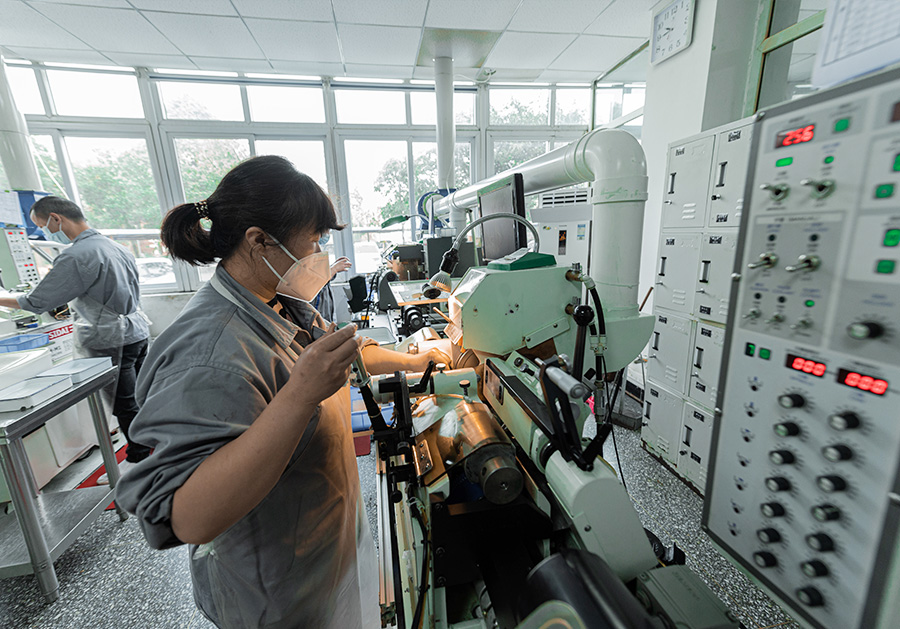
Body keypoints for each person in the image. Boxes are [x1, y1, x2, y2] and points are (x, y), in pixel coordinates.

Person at [115, 155, 447, 629]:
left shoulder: (278, 303)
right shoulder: (210, 352)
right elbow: (189, 517)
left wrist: (418, 359)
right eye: (313, 242)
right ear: (258, 240)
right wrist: (298, 397)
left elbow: (340, 352)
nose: (319, 255)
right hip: (278, 594)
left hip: (322, 550)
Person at [0, 197, 152, 482]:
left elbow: (37, 301)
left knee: (124, 404)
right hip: (136, 331)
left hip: (110, 337)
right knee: (140, 399)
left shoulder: (76, 255)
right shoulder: (114, 246)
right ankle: (154, 451)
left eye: (42, 225)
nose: (44, 231)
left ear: (56, 219)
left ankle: (139, 462)